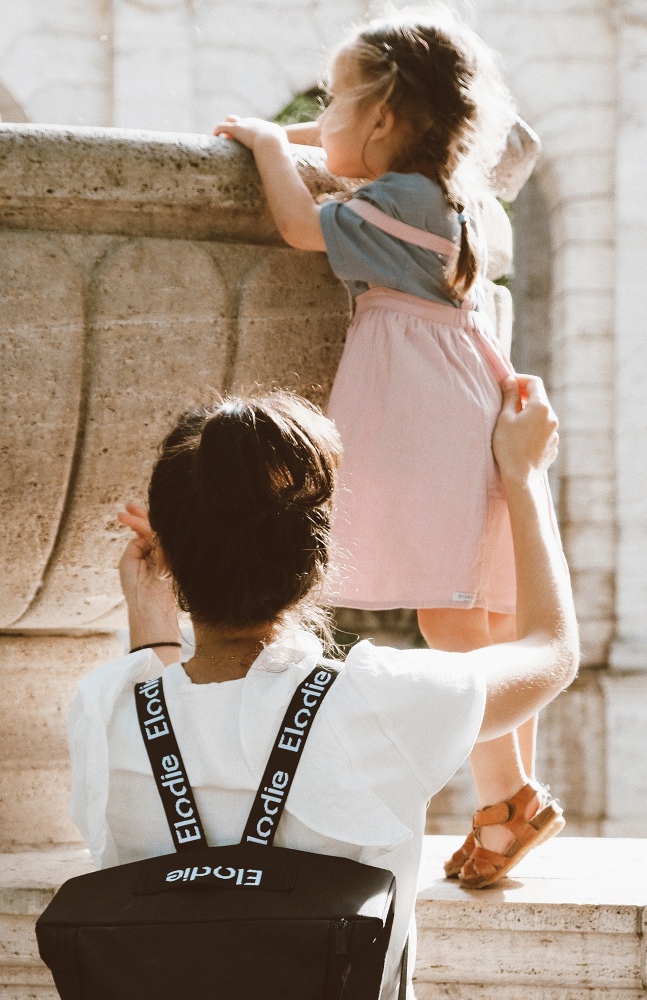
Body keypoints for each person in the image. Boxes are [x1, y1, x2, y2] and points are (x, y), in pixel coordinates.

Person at [67, 378, 577, 1000]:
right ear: (320, 551)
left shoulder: (102, 710)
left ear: (169, 557)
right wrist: (525, 477)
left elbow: (175, 715)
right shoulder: (377, 703)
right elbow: (552, 653)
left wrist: (153, 614)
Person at [212, 5, 568, 885]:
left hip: (430, 419)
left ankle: (507, 805)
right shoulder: (451, 197)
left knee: (453, 619)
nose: (317, 114)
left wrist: (264, 145)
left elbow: (299, 222)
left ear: (385, 119)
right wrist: (308, 122)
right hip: (468, 400)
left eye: (332, 99)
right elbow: (345, 138)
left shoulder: (391, 202)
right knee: (479, 616)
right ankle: (507, 805)